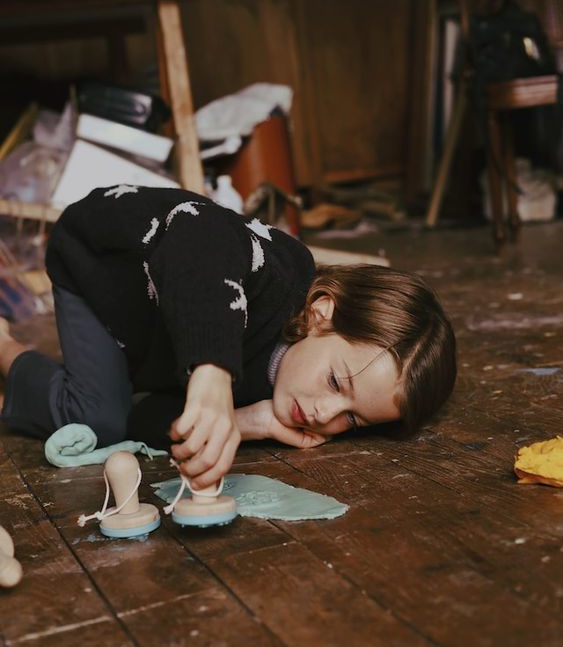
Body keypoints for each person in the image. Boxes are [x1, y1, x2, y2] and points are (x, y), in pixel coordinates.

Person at [0, 186, 456, 491]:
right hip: (99, 267)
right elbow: (198, 230)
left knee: (111, 421)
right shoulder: (280, 272)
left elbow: (148, 419)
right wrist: (214, 376)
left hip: (147, 337)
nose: (324, 414)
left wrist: (244, 420)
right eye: (337, 383)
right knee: (96, 419)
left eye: (352, 421)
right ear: (321, 313)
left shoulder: (276, 390)